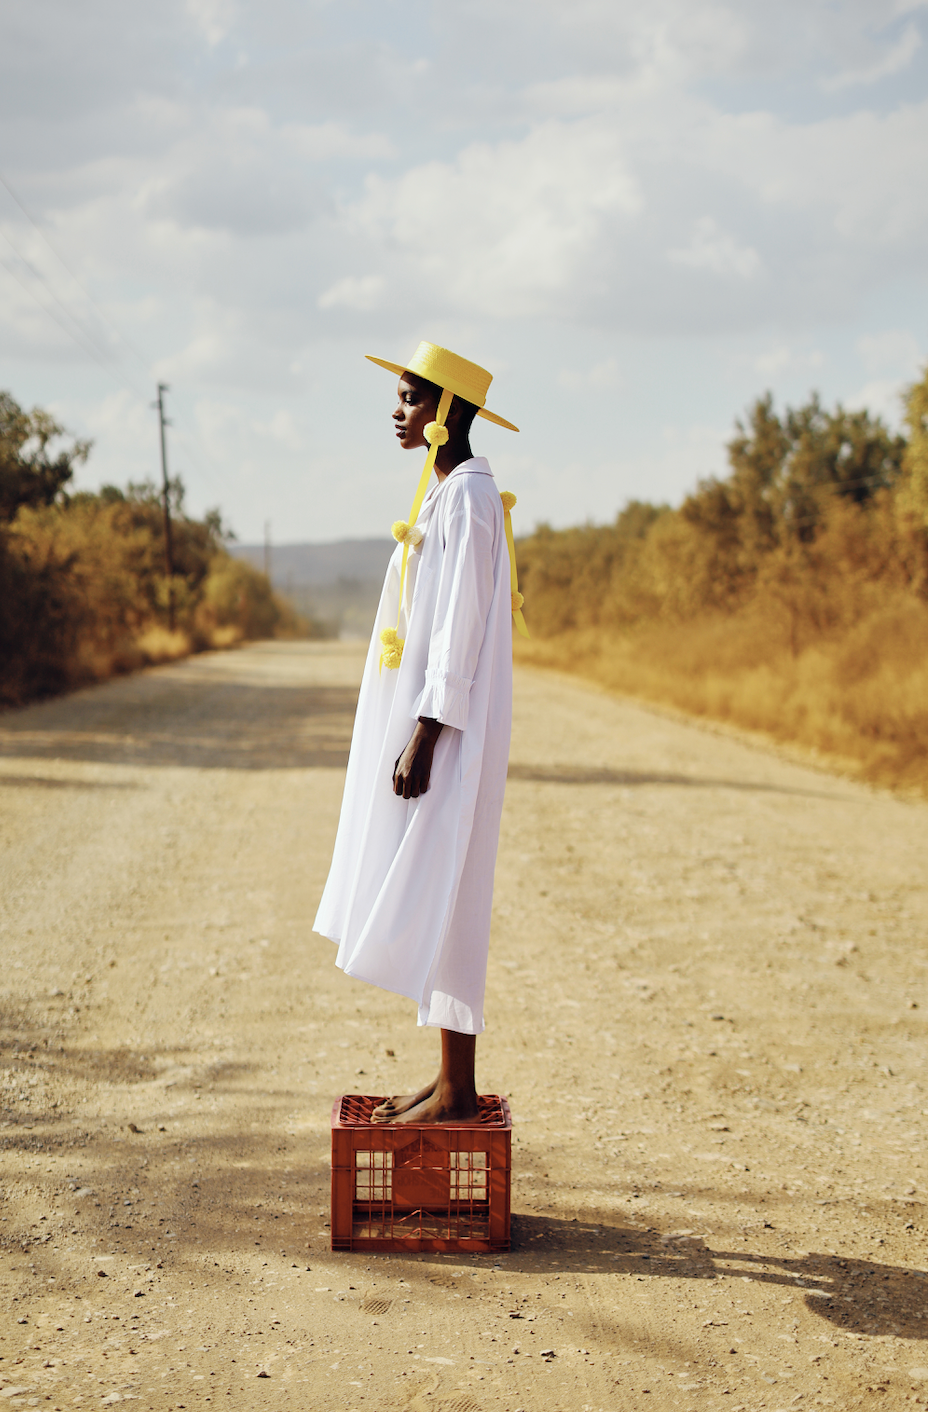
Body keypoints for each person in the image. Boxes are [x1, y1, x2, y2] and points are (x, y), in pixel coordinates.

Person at [313, 342, 525, 1124]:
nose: (397, 412)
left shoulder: (468, 497)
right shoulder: (449, 492)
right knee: (438, 886)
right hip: (438, 726)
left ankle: (459, 1088)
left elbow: (460, 632)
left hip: (450, 732)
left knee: (450, 890)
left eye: (410, 399)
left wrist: (427, 736)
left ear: (447, 414)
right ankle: (450, 1080)